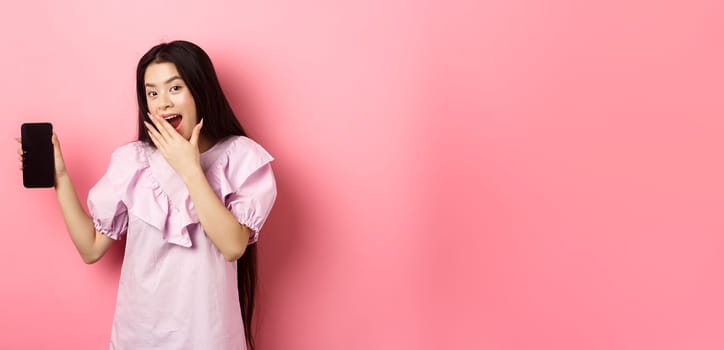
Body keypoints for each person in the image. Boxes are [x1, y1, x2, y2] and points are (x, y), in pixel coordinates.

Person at [16, 40, 276, 350]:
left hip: (209, 337)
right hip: (138, 336)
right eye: (152, 93)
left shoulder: (241, 157)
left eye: (175, 88)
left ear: (201, 90)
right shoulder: (133, 161)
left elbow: (233, 246)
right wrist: (60, 176)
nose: (162, 103)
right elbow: (91, 249)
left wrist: (189, 169)